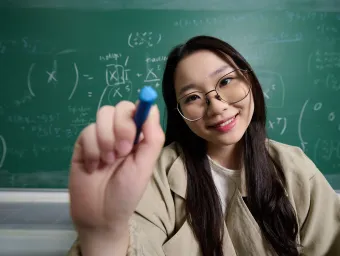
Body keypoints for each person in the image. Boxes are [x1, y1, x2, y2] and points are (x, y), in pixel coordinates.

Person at [67, 35, 340, 256]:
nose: (217, 106)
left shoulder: (295, 168)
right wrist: (104, 235)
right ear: (179, 112)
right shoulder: (154, 175)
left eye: (226, 81)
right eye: (193, 97)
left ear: (250, 80)